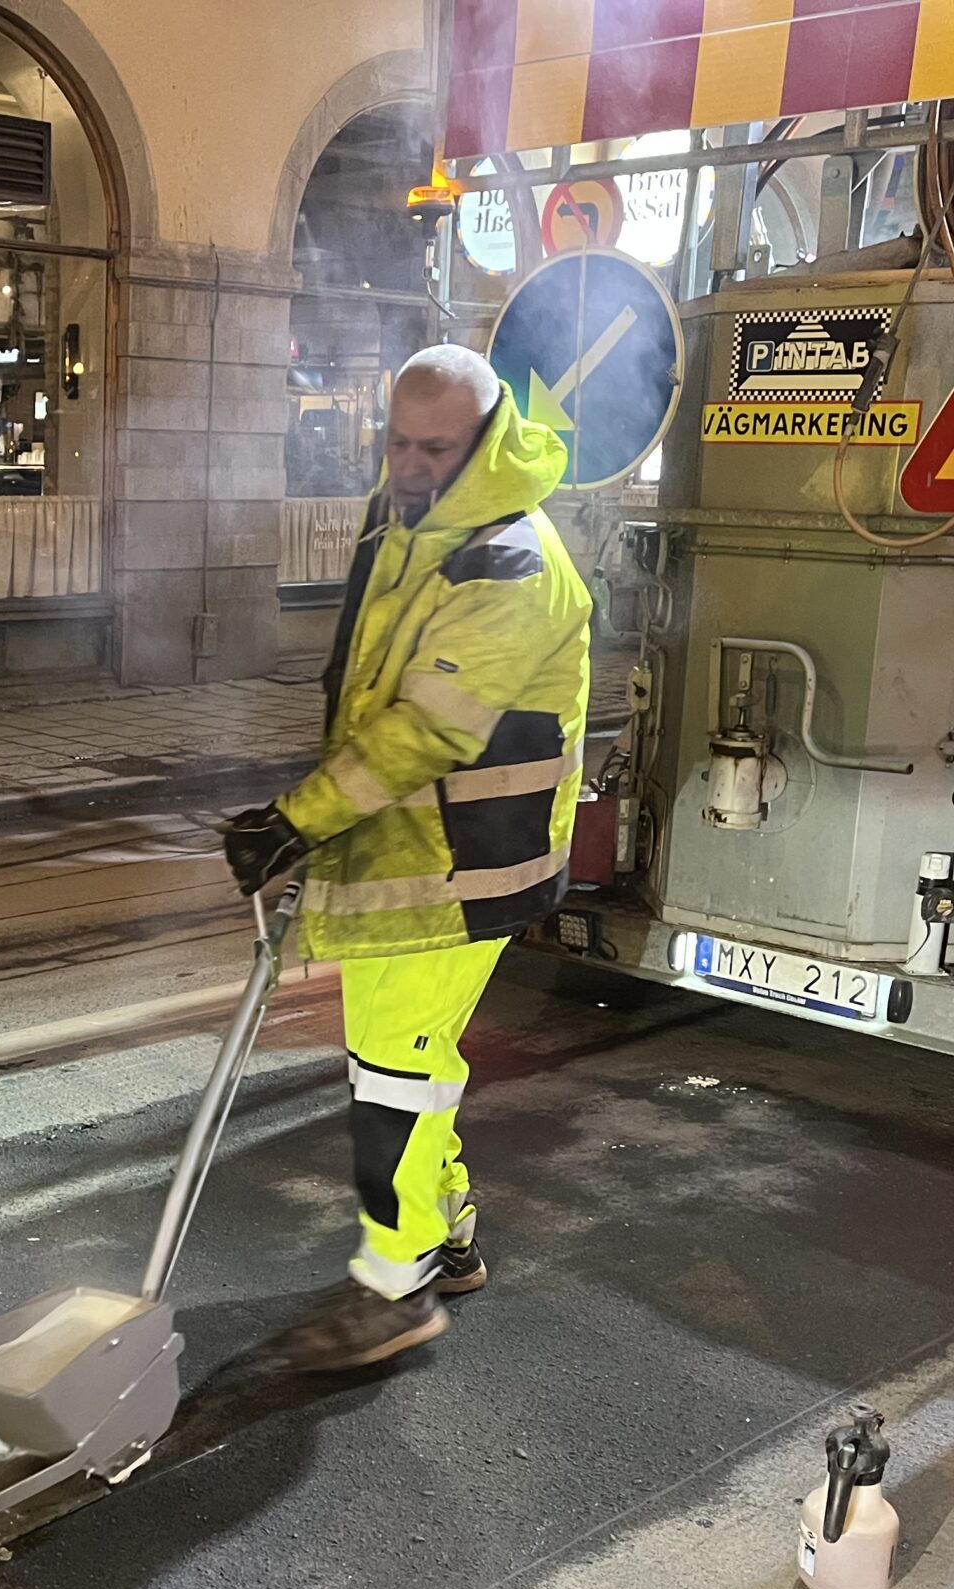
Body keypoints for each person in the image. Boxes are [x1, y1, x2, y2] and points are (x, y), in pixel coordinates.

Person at [220, 344, 590, 1372]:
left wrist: (296, 820)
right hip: (404, 848)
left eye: (437, 448)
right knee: (409, 1065)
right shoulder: (407, 518)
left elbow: (427, 727)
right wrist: (317, 819)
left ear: (488, 438)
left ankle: (398, 1284)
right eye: (399, 442)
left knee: (394, 1071)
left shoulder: (511, 559)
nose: (413, 464)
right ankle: (449, 1231)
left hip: (468, 861)